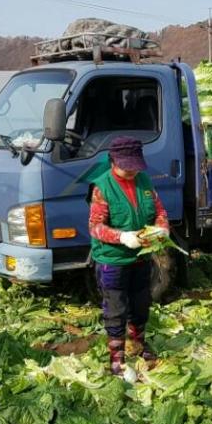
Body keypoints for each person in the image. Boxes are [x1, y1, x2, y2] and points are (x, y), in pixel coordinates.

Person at [88, 136, 169, 374]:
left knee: (141, 303)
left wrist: (162, 227)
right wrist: (122, 237)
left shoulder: (144, 181)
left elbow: (159, 210)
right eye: (127, 166)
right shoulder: (102, 187)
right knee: (116, 308)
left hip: (141, 257)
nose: (132, 170)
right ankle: (117, 357)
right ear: (113, 161)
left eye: (136, 165)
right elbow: (95, 226)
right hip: (112, 260)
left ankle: (138, 344)